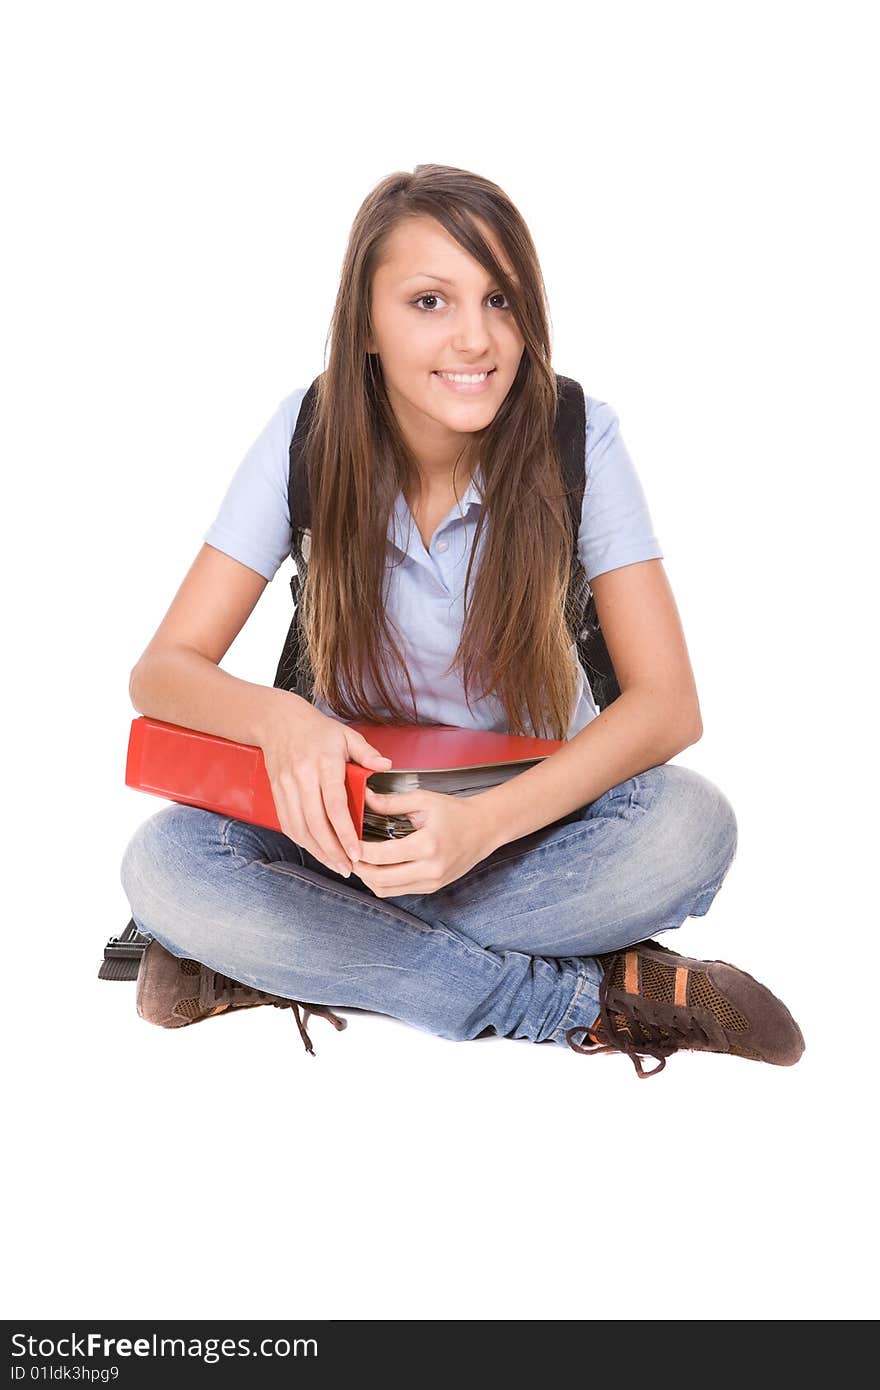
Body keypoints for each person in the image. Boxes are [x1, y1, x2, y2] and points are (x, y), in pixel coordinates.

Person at [120, 163, 804, 1079]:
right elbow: (163, 669)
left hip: (533, 831)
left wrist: (484, 830)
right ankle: (583, 997)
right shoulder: (307, 435)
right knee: (166, 863)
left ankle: (271, 955)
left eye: (500, 300)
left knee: (691, 828)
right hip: (352, 835)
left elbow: (668, 706)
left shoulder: (577, 438)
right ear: (365, 324)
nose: (475, 338)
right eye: (430, 301)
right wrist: (281, 718)